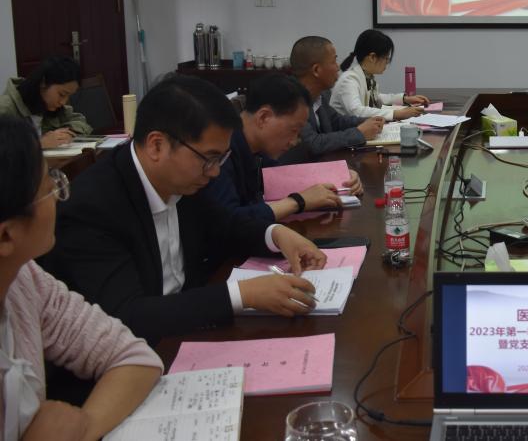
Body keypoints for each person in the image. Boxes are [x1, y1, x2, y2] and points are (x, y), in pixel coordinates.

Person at [46, 75, 328, 344]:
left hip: (190, 329)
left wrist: (276, 234)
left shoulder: (187, 177)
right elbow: (127, 315)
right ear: (157, 145)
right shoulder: (92, 208)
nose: (215, 172)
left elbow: (224, 225)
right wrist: (241, 295)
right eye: (210, 159)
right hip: (141, 352)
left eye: (221, 159)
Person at [0, 117, 162, 441]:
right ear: (6, 236)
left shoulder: (24, 279)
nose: (59, 195)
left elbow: (133, 357)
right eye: (49, 186)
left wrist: (78, 429)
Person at [202, 73, 364, 223]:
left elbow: (282, 178)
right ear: (264, 117)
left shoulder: (258, 150)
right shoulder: (220, 151)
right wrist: (297, 202)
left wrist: (340, 177)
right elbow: (229, 221)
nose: (294, 141)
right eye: (293, 130)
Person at [281, 36, 384, 162]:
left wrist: (368, 121)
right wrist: (360, 133)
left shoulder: (322, 93)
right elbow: (313, 144)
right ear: (316, 70)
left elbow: (336, 121)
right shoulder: (290, 99)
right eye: (334, 61)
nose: (338, 67)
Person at [329, 29, 429, 121]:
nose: (387, 63)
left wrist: (405, 99)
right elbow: (356, 111)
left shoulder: (366, 76)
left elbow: (376, 98)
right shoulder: (349, 80)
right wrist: (397, 113)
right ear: (372, 57)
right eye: (386, 58)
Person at [0, 56, 91, 148]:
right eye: (62, 94)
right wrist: (37, 144)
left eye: (69, 96)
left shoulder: (51, 106)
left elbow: (79, 120)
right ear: (43, 82)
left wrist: (67, 133)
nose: (63, 102)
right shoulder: (5, 109)